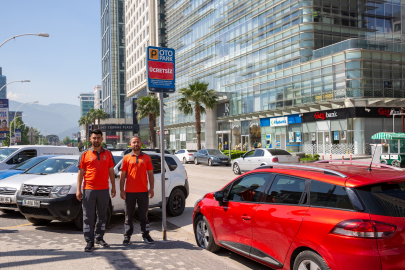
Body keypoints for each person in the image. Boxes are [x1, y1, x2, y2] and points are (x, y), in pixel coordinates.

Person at [76, 129, 116, 252]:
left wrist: (114, 187)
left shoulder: (108, 154)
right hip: (89, 190)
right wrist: (78, 189)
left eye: (98, 138)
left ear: (102, 139)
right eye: (94, 138)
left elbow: (111, 172)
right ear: (90, 139)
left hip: (104, 190)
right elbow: (80, 173)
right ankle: (89, 241)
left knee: (102, 216)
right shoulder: (84, 154)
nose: (96, 140)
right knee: (88, 216)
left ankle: (99, 238)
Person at [120, 135, 155, 245]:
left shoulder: (147, 158)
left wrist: (151, 188)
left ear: (141, 143)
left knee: (143, 215)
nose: (136, 144)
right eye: (134, 142)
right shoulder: (126, 158)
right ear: (130, 144)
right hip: (129, 192)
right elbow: (122, 174)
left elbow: (150, 174)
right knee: (128, 215)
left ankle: (146, 235)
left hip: (143, 192)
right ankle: (127, 237)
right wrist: (122, 190)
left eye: (138, 142)